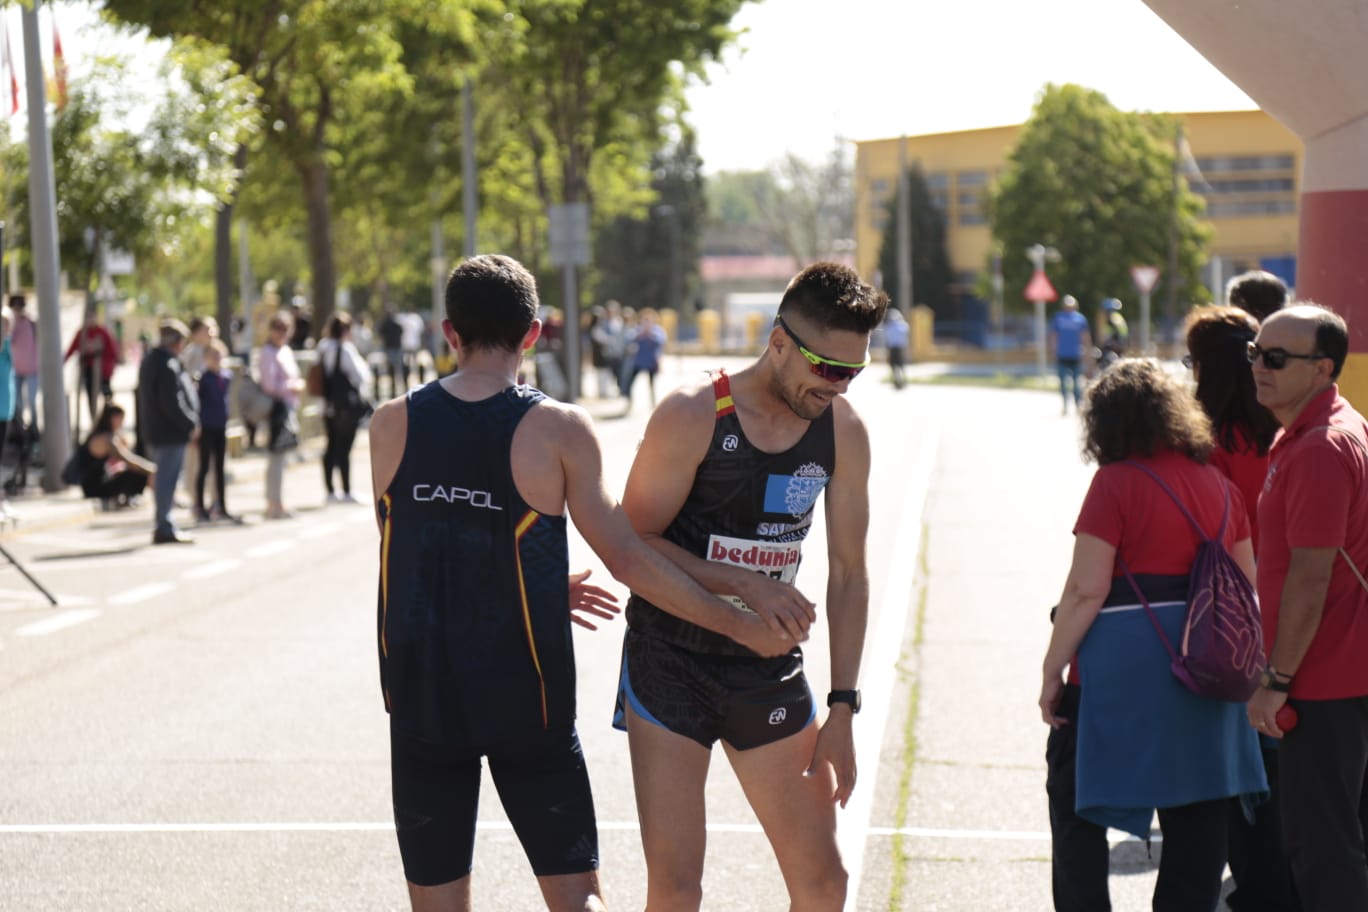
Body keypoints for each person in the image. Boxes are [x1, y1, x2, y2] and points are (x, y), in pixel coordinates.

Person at [368, 254, 787, 912]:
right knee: (577, 901)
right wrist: (739, 621)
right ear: (534, 333)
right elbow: (628, 558)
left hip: (422, 699)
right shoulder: (557, 428)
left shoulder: (390, 422)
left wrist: (517, 583)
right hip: (524, 699)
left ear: (449, 333)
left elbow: (418, 553)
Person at [616, 261, 884, 911]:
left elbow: (849, 573)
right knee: (678, 891)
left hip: (765, 667)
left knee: (825, 885)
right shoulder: (693, 413)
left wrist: (843, 706)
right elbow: (631, 543)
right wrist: (744, 584)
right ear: (780, 342)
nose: (839, 387)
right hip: (669, 662)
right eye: (827, 368)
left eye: (853, 372)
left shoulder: (841, 430)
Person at [1039, 359, 1266, 912]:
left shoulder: (1114, 484)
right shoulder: (1218, 484)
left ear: (1106, 424)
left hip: (1122, 666)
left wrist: (1051, 669)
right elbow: (1247, 582)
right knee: (1199, 816)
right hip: (1207, 663)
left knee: (1075, 804)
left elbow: (1087, 590)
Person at [1244, 304, 1368, 912]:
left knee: (1324, 851)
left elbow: (1309, 577)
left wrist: (1277, 679)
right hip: (1343, 671)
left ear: (1321, 369)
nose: (1259, 368)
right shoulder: (1329, 426)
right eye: (1255, 354)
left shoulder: (1320, 446)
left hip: (1324, 680)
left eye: (1275, 358)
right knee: (1341, 842)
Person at [1184, 305, 1296, 912]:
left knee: (1241, 775)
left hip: (1231, 623)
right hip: (1297, 615)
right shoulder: (1288, 432)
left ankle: (1259, 891)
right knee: (1288, 771)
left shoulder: (1206, 446)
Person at [137, 320, 200, 545]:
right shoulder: (166, 364)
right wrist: (190, 423)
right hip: (169, 432)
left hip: (157, 431)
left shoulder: (153, 360)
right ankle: (164, 525)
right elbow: (173, 402)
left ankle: (165, 523)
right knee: (167, 480)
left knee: (165, 479)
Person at [316, 312, 372, 504]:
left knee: (330, 446)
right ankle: (346, 489)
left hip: (326, 405)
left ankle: (330, 490)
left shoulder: (322, 347)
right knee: (345, 448)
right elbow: (361, 376)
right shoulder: (345, 349)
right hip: (345, 406)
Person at [258, 311, 303, 520]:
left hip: (287, 407)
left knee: (281, 457)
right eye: (278, 328)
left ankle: (277, 501)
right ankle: (273, 503)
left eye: (286, 329)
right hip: (276, 408)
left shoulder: (285, 350)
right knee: (276, 456)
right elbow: (269, 385)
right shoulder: (267, 352)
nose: (282, 333)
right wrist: (292, 386)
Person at [195, 341, 240, 524]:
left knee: (220, 468)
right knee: (204, 467)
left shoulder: (226, 377)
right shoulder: (204, 379)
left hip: (221, 425)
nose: (216, 359)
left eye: (218, 355)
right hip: (206, 426)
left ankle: (221, 504)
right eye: (212, 355)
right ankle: (200, 506)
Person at [76, 403, 153, 508]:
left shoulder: (102, 434)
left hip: (94, 483)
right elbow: (128, 459)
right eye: (120, 418)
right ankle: (166, 500)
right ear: (112, 418)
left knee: (136, 472)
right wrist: (152, 469)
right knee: (140, 474)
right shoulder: (106, 439)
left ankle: (163, 499)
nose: (121, 423)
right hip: (94, 487)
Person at [64, 310, 118, 426]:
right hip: (88, 370)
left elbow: (113, 351)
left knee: (107, 397)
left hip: (103, 371)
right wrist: (63, 361)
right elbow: (72, 348)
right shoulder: (82, 333)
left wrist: (109, 369)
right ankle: (94, 422)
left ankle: (109, 421)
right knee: (91, 398)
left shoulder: (102, 332)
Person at [1050, 295, 1091, 414]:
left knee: (1076, 382)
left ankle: (1078, 405)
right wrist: (1053, 350)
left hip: (1076, 355)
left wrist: (1087, 351)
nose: (1069, 308)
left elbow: (1085, 336)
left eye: (1071, 306)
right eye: (1067, 306)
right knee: (1062, 381)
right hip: (1062, 354)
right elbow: (1053, 335)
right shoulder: (1058, 318)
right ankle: (1065, 404)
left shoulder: (1080, 319)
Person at [622, 308, 666, 408]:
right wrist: (640, 335)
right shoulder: (637, 330)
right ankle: (629, 402)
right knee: (630, 383)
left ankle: (653, 404)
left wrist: (650, 334)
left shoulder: (657, 330)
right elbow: (629, 340)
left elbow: (661, 342)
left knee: (651, 385)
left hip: (651, 362)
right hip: (639, 361)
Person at [9, 294, 38, 433]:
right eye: (14, 307)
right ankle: (20, 432)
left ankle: (34, 430)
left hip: (32, 369)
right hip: (16, 370)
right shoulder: (9, 325)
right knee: (17, 403)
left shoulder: (31, 324)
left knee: (32, 402)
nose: (17, 310)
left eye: (19, 307)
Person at [589, 300, 626, 398]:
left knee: (617, 373)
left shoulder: (618, 322)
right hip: (606, 353)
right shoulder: (602, 323)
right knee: (604, 372)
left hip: (617, 353)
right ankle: (603, 391)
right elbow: (598, 335)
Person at [379, 309, 407, 397]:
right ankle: (403, 388)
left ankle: (393, 389)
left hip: (389, 348)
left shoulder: (384, 324)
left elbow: (381, 334)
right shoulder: (397, 324)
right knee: (399, 369)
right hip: (397, 348)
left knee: (391, 370)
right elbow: (402, 332)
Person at [882, 307, 909, 389]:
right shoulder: (904, 325)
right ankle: (904, 381)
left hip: (892, 349)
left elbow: (887, 339)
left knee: (894, 366)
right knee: (901, 365)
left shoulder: (888, 327)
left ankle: (896, 382)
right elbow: (906, 337)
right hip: (901, 348)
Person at [1098, 297, 1128, 369]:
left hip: (1113, 349)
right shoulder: (1117, 318)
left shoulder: (1114, 319)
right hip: (1117, 348)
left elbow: (1105, 337)